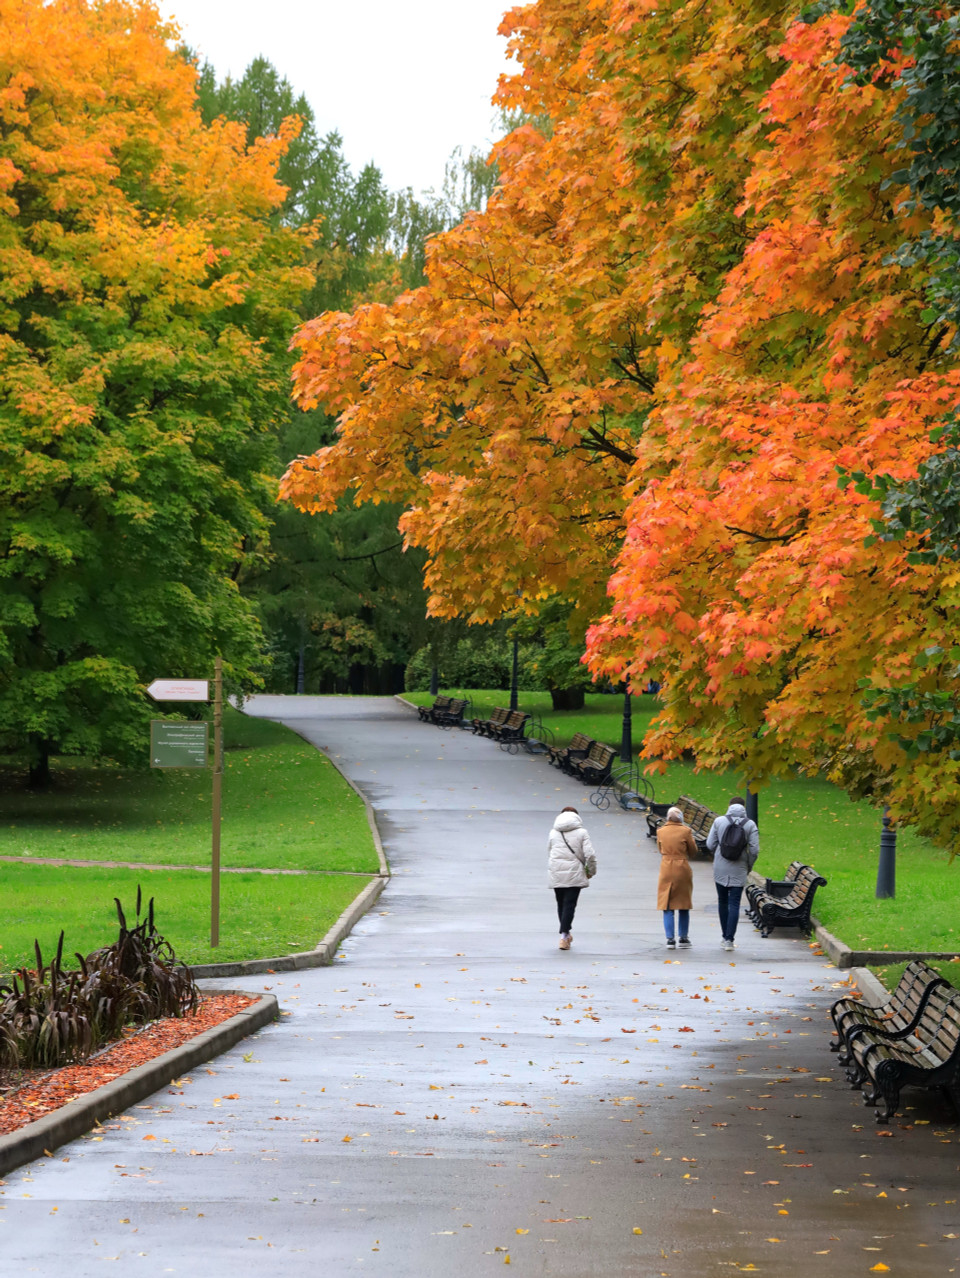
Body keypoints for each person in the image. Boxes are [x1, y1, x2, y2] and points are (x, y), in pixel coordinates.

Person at [706, 796, 759, 951]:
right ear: (744, 808)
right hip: (739, 867)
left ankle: (724, 936)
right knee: (734, 903)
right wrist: (749, 864)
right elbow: (755, 850)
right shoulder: (750, 824)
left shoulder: (719, 821)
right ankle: (730, 939)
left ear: (729, 806)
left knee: (722, 901)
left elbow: (710, 844)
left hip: (720, 867)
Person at [547, 806, 597, 950]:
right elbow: (590, 855)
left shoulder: (553, 832)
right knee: (570, 904)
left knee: (561, 904)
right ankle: (564, 936)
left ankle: (565, 934)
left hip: (556, 871)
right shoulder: (582, 832)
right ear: (576, 817)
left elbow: (549, 851)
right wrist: (591, 871)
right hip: (575, 872)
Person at [655, 806, 697, 948]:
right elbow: (693, 851)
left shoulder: (660, 832)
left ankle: (670, 939)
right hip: (682, 867)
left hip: (666, 867)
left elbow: (660, 849)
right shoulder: (686, 831)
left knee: (667, 904)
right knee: (683, 903)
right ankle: (683, 937)